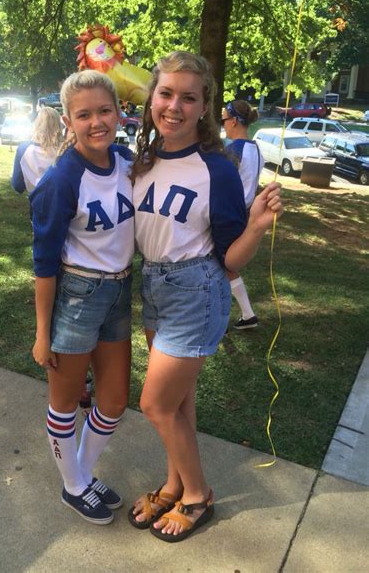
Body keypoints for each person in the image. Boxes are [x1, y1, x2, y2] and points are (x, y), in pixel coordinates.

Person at [128, 51, 283, 542]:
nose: (174, 106)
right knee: (177, 404)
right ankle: (174, 484)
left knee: (154, 405)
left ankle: (197, 496)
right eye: (166, 93)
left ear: (204, 107)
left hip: (198, 291)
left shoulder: (216, 167)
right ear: (151, 96)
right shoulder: (144, 160)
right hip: (154, 286)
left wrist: (257, 224)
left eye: (188, 98)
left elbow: (231, 259)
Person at [30, 70, 134, 525]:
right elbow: (44, 263)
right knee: (66, 401)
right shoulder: (61, 178)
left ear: (118, 112)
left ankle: (82, 474)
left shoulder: (129, 163)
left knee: (113, 400)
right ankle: (73, 486)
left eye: (104, 110)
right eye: (84, 114)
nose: (97, 122)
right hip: (76, 293)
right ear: (69, 122)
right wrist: (41, 333)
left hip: (119, 290)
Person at [222, 99, 264, 329]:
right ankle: (247, 315)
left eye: (224, 120)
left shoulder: (232, 151)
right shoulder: (257, 149)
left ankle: (247, 315)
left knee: (224, 264)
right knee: (225, 264)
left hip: (230, 215)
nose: (223, 125)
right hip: (244, 214)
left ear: (235, 121)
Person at [11, 106, 63, 194]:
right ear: (58, 124)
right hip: (63, 200)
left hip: (36, 201)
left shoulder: (23, 149)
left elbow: (17, 186)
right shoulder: (66, 149)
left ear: (37, 123)